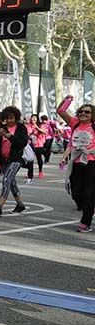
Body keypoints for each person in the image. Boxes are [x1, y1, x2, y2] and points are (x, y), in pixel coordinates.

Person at [57, 97, 95, 232]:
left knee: (89, 193)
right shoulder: (75, 124)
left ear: (92, 115)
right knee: (76, 192)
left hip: (91, 162)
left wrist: (90, 151)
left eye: (87, 112)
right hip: (76, 162)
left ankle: (86, 222)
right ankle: (88, 206)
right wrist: (68, 100)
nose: (83, 114)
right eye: (81, 111)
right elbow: (60, 111)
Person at [0, 106, 27, 217]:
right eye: (7, 118)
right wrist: (0, 136)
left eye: (11, 118)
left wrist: (10, 137)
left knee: (6, 179)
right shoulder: (3, 127)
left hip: (16, 159)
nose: (9, 121)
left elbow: (22, 143)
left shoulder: (21, 128)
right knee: (11, 182)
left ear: (16, 117)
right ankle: (20, 204)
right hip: (4, 160)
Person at [24, 113, 46, 183]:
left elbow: (44, 132)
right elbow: (27, 133)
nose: (33, 119)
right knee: (30, 159)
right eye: (32, 118)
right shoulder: (29, 126)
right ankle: (30, 174)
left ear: (37, 119)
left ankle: (40, 171)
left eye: (35, 118)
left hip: (39, 144)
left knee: (39, 158)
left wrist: (36, 126)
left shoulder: (40, 125)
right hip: (31, 145)